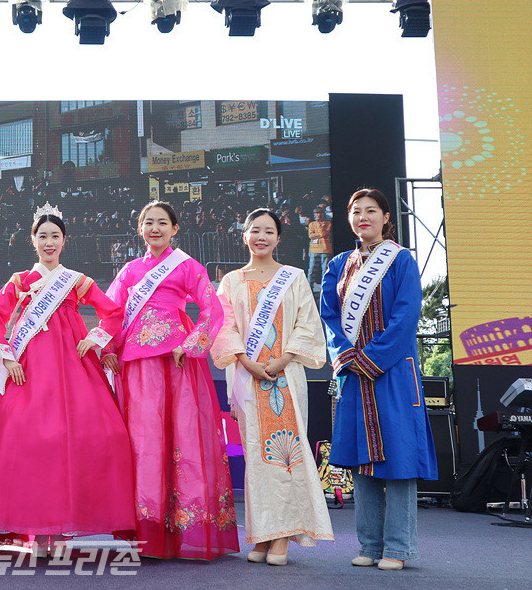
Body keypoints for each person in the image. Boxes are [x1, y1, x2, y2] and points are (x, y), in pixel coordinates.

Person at [0, 204, 135, 555]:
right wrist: (8, 356)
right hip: (29, 366)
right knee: (25, 439)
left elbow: (113, 312)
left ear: (64, 240)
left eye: (55, 236)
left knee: (82, 437)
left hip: (72, 363)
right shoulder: (20, 280)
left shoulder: (76, 280)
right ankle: (37, 532)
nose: (49, 242)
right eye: (43, 236)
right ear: (33, 240)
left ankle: (62, 527)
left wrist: (97, 338)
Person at [102, 200, 239, 561]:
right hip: (136, 363)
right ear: (139, 228)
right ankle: (147, 527)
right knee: (144, 439)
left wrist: (193, 343)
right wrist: (108, 348)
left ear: (175, 228)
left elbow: (213, 308)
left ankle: (182, 525)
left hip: (176, 360)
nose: (155, 228)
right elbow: (112, 312)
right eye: (148, 222)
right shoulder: (130, 270)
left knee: (182, 436)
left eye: (163, 222)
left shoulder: (188, 267)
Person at [321, 188, 436, 571]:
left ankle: (398, 548)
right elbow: (330, 317)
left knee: (398, 458)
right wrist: (347, 356)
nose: (362, 217)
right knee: (360, 459)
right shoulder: (338, 265)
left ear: (387, 217)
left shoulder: (401, 261)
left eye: (371, 211)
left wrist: (371, 358)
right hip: (354, 375)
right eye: (355, 211)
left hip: (392, 373)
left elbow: (406, 317)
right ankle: (369, 545)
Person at [211, 208, 333, 566]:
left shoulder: (293, 277)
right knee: (256, 459)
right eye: (255, 230)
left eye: (269, 231)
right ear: (244, 235)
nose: (261, 236)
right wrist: (246, 361)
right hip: (248, 379)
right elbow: (224, 326)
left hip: (286, 377)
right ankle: (262, 534)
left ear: (278, 238)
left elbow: (307, 324)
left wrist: (281, 361)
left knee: (285, 456)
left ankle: (283, 536)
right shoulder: (231, 281)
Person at [307, 207, 332, 283]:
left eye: (320, 213)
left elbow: (325, 232)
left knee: (325, 270)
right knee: (311, 270)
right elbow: (310, 235)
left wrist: (317, 234)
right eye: (316, 213)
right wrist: (320, 235)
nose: (318, 215)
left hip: (325, 249)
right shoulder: (312, 224)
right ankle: (309, 288)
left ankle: (323, 289)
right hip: (314, 250)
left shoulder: (327, 223)